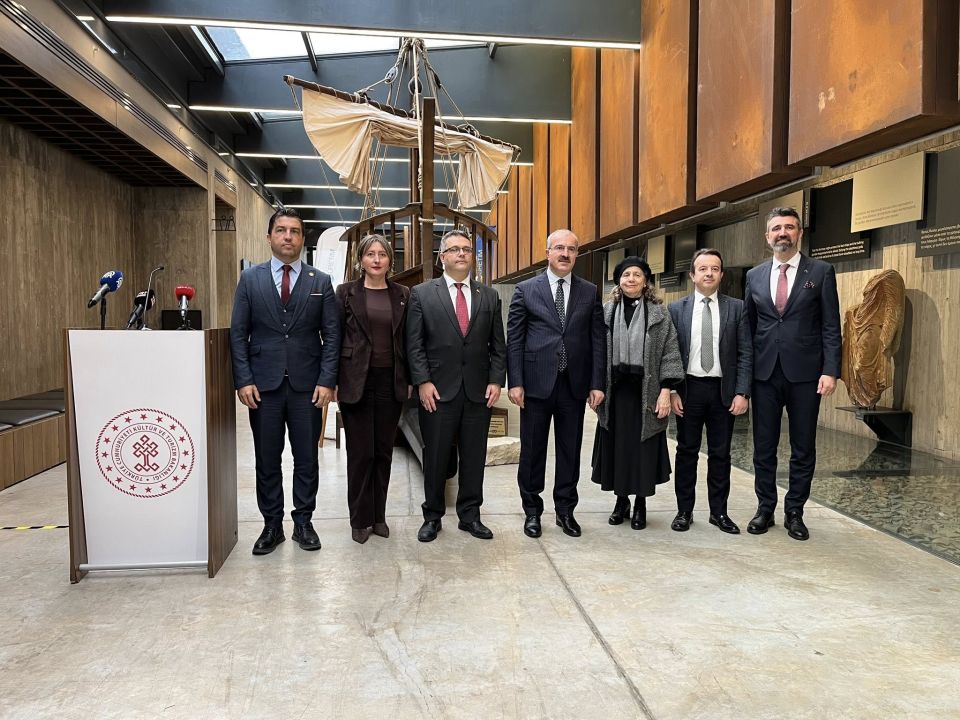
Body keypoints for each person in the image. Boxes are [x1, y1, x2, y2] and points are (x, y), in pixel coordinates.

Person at [230, 208, 340, 555]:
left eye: (294, 231)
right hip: (263, 387)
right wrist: (243, 379)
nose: (288, 236)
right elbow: (238, 334)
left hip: (308, 387)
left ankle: (304, 522)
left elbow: (332, 336)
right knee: (267, 459)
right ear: (269, 237)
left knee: (306, 458)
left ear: (303, 239)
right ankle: (272, 525)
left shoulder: (320, 281)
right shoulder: (250, 279)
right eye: (281, 230)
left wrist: (327, 380)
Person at [744, 207, 841, 541]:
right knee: (763, 447)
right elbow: (748, 329)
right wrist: (745, 376)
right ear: (767, 236)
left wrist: (831, 370)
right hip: (765, 375)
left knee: (803, 447)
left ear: (799, 233)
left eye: (789, 227)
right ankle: (765, 508)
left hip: (806, 375)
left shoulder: (821, 272)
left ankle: (795, 512)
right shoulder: (754, 276)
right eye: (776, 228)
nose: (782, 233)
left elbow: (831, 325)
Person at [405, 229, 507, 542]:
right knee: (436, 456)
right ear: (442, 257)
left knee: (474, 457)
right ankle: (432, 516)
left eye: (466, 249)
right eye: (454, 249)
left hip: (478, 392)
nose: (461, 254)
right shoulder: (422, 294)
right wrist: (422, 381)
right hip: (437, 391)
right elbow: (414, 344)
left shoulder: (488, 296)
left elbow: (498, 345)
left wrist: (496, 380)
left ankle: (470, 516)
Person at [507, 229, 605, 538]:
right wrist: (515, 381)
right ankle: (532, 512)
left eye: (571, 249)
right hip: (536, 385)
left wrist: (597, 382)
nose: (565, 253)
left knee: (569, 451)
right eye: (559, 248)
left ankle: (565, 510)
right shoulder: (525, 290)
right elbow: (515, 340)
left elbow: (598, 340)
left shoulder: (589, 291)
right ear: (547, 252)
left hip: (573, 386)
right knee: (533, 451)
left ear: (577, 255)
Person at [591, 257, 684, 529]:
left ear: (645, 281)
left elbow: (670, 352)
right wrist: (594, 386)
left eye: (637, 275)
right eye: (626, 275)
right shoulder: (607, 312)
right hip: (615, 396)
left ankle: (640, 503)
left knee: (642, 451)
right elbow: (596, 351)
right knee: (618, 449)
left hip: (646, 394)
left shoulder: (659, 314)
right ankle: (621, 501)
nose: (631, 279)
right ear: (618, 281)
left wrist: (666, 391)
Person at [668, 249, 752, 534]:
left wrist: (742, 392)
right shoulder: (676, 309)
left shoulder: (737, 308)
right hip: (688, 390)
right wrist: (672, 391)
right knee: (686, 452)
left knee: (721, 454)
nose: (709, 273)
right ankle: (684, 511)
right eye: (703, 269)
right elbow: (670, 354)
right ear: (692, 275)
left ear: (721, 275)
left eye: (714, 269)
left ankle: (719, 513)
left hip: (723, 392)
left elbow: (745, 353)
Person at [335, 234, 410, 544]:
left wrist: (410, 379)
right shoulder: (345, 293)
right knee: (360, 454)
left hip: (390, 382)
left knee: (383, 452)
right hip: (356, 381)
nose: (376, 259)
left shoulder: (403, 294)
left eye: (382, 254)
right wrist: (333, 381)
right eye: (370, 254)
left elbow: (407, 339)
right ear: (361, 260)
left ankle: (379, 516)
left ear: (390, 260)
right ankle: (360, 519)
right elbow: (335, 337)